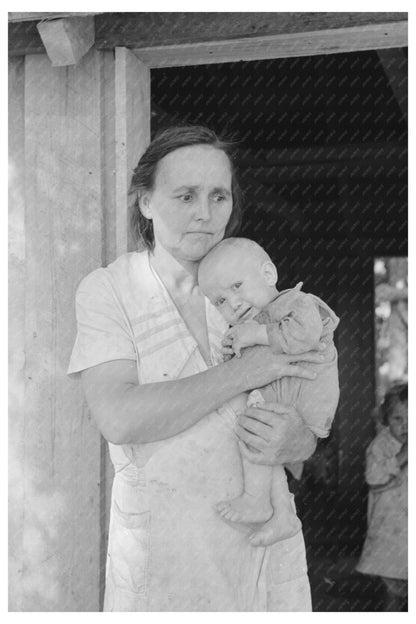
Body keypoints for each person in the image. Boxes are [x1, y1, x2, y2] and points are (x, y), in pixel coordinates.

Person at [68, 125, 331, 612]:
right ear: (145, 201)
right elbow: (119, 417)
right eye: (185, 195)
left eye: (219, 196)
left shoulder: (249, 289)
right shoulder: (110, 290)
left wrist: (303, 440)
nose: (205, 214)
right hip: (167, 551)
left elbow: (304, 400)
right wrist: (244, 372)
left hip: (262, 547)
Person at [198, 237, 339, 547]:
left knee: (252, 425)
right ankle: (283, 513)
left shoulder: (294, 302)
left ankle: (255, 499)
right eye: (220, 300)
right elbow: (249, 370)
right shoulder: (257, 321)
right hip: (289, 395)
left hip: (306, 396)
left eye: (237, 286)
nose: (232, 303)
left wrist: (256, 334)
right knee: (261, 439)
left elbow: (304, 334)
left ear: (268, 275)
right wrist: (233, 350)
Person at [356, 383, 408, 611]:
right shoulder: (380, 445)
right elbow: (374, 477)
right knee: (393, 591)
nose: (406, 426)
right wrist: (403, 456)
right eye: (398, 419)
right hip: (390, 532)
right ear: (386, 419)